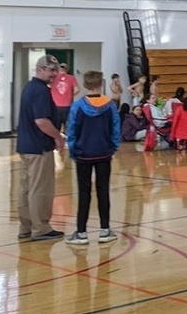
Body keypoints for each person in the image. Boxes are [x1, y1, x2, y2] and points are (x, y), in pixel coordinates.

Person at [65, 70, 121, 246]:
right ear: (101, 84)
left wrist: (73, 151)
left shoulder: (77, 106)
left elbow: (71, 131)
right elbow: (115, 129)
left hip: (83, 154)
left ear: (84, 84)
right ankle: (105, 230)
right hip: (104, 153)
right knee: (103, 191)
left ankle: (81, 232)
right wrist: (113, 147)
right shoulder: (110, 105)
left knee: (83, 192)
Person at [17, 55, 65, 241]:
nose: (54, 73)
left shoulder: (29, 88)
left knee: (26, 188)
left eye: (55, 70)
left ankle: (26, 226)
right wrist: (57, 137)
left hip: (26, 145)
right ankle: (41, 228)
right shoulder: (41, 91)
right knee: (40, 189)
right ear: (40, 70)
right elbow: (42, 121)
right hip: (38, 147)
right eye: (50, 70)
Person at [50, 62, 79, 133]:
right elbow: (77, 89)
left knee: (56, 125)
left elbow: (48, 87)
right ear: (67, 69)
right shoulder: (71, 78)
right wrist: (70, 95)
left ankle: (57, 139)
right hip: (67, 104)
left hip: (55, 104)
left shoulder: (53, 78)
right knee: (68, 124)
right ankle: (66, 139)